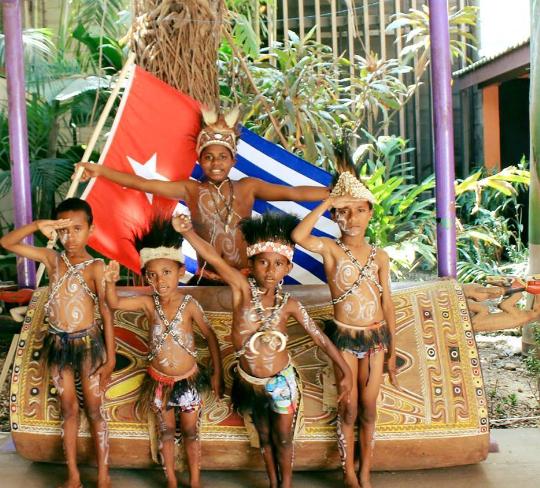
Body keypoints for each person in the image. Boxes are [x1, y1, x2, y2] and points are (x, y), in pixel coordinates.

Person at [173, 211, 353, 488]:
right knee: (264, 435)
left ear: (288, 268)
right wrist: (187, 233)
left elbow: (320, 338)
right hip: (249, 382)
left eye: (278, 264)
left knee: (283, 437)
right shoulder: (241, 290)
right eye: (263, 263)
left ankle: (286, 484)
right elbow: (214, 258)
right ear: (252, 265)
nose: (270, 270)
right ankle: (273, 482)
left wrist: (345, 371)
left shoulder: (289, 304)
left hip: (281, 382)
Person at [75, 107, 330, 284]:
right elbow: (142, 183)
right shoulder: (191, 189)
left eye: (222, 157)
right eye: (208, 157)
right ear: (200, 160)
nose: (215, 163)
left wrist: (334, 192)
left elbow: (293, 192)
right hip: (206, 280)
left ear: (233, 160)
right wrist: (99, 171)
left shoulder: (247, 187)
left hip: (247, 278)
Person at [291, 172, 401, 488]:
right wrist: (327, 201)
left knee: (368, 409)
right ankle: (348, 473)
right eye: (344, 211)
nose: (352, 218)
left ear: (371, 213)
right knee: (349, 408)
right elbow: (298, 236)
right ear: (335, 215)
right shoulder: (329, 249)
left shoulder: (380, 256)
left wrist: (392, 349)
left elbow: (388, 302)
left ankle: (365, 472)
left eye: (360, 210)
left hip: (376, 338)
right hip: (344, 337)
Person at [0, 198, 116, 488]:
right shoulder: (52, 260)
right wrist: (38, 226)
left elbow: (106, 311)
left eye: (77, 229)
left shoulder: (96, 267)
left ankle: (103, 476)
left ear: (91, 229)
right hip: (58, 346)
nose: (70, 237)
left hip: (89, 346)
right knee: (68, 409)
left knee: (94, 409)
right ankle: (73, 476)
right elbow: (7, 242)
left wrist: (111, 358)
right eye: (63, 230)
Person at [103, 215, 223, 488]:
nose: (160, 281)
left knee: (191, 433)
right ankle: (170, 480)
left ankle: (194, 482)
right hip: (159, 382)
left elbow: (210, 337)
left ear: (181, 272)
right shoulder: (147, 302)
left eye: (167, 272)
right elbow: (112, 302)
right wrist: (110, 282)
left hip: (188, 380)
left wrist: (216, 374)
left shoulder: (189, 304)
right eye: (152, 275)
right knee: (166, 431)